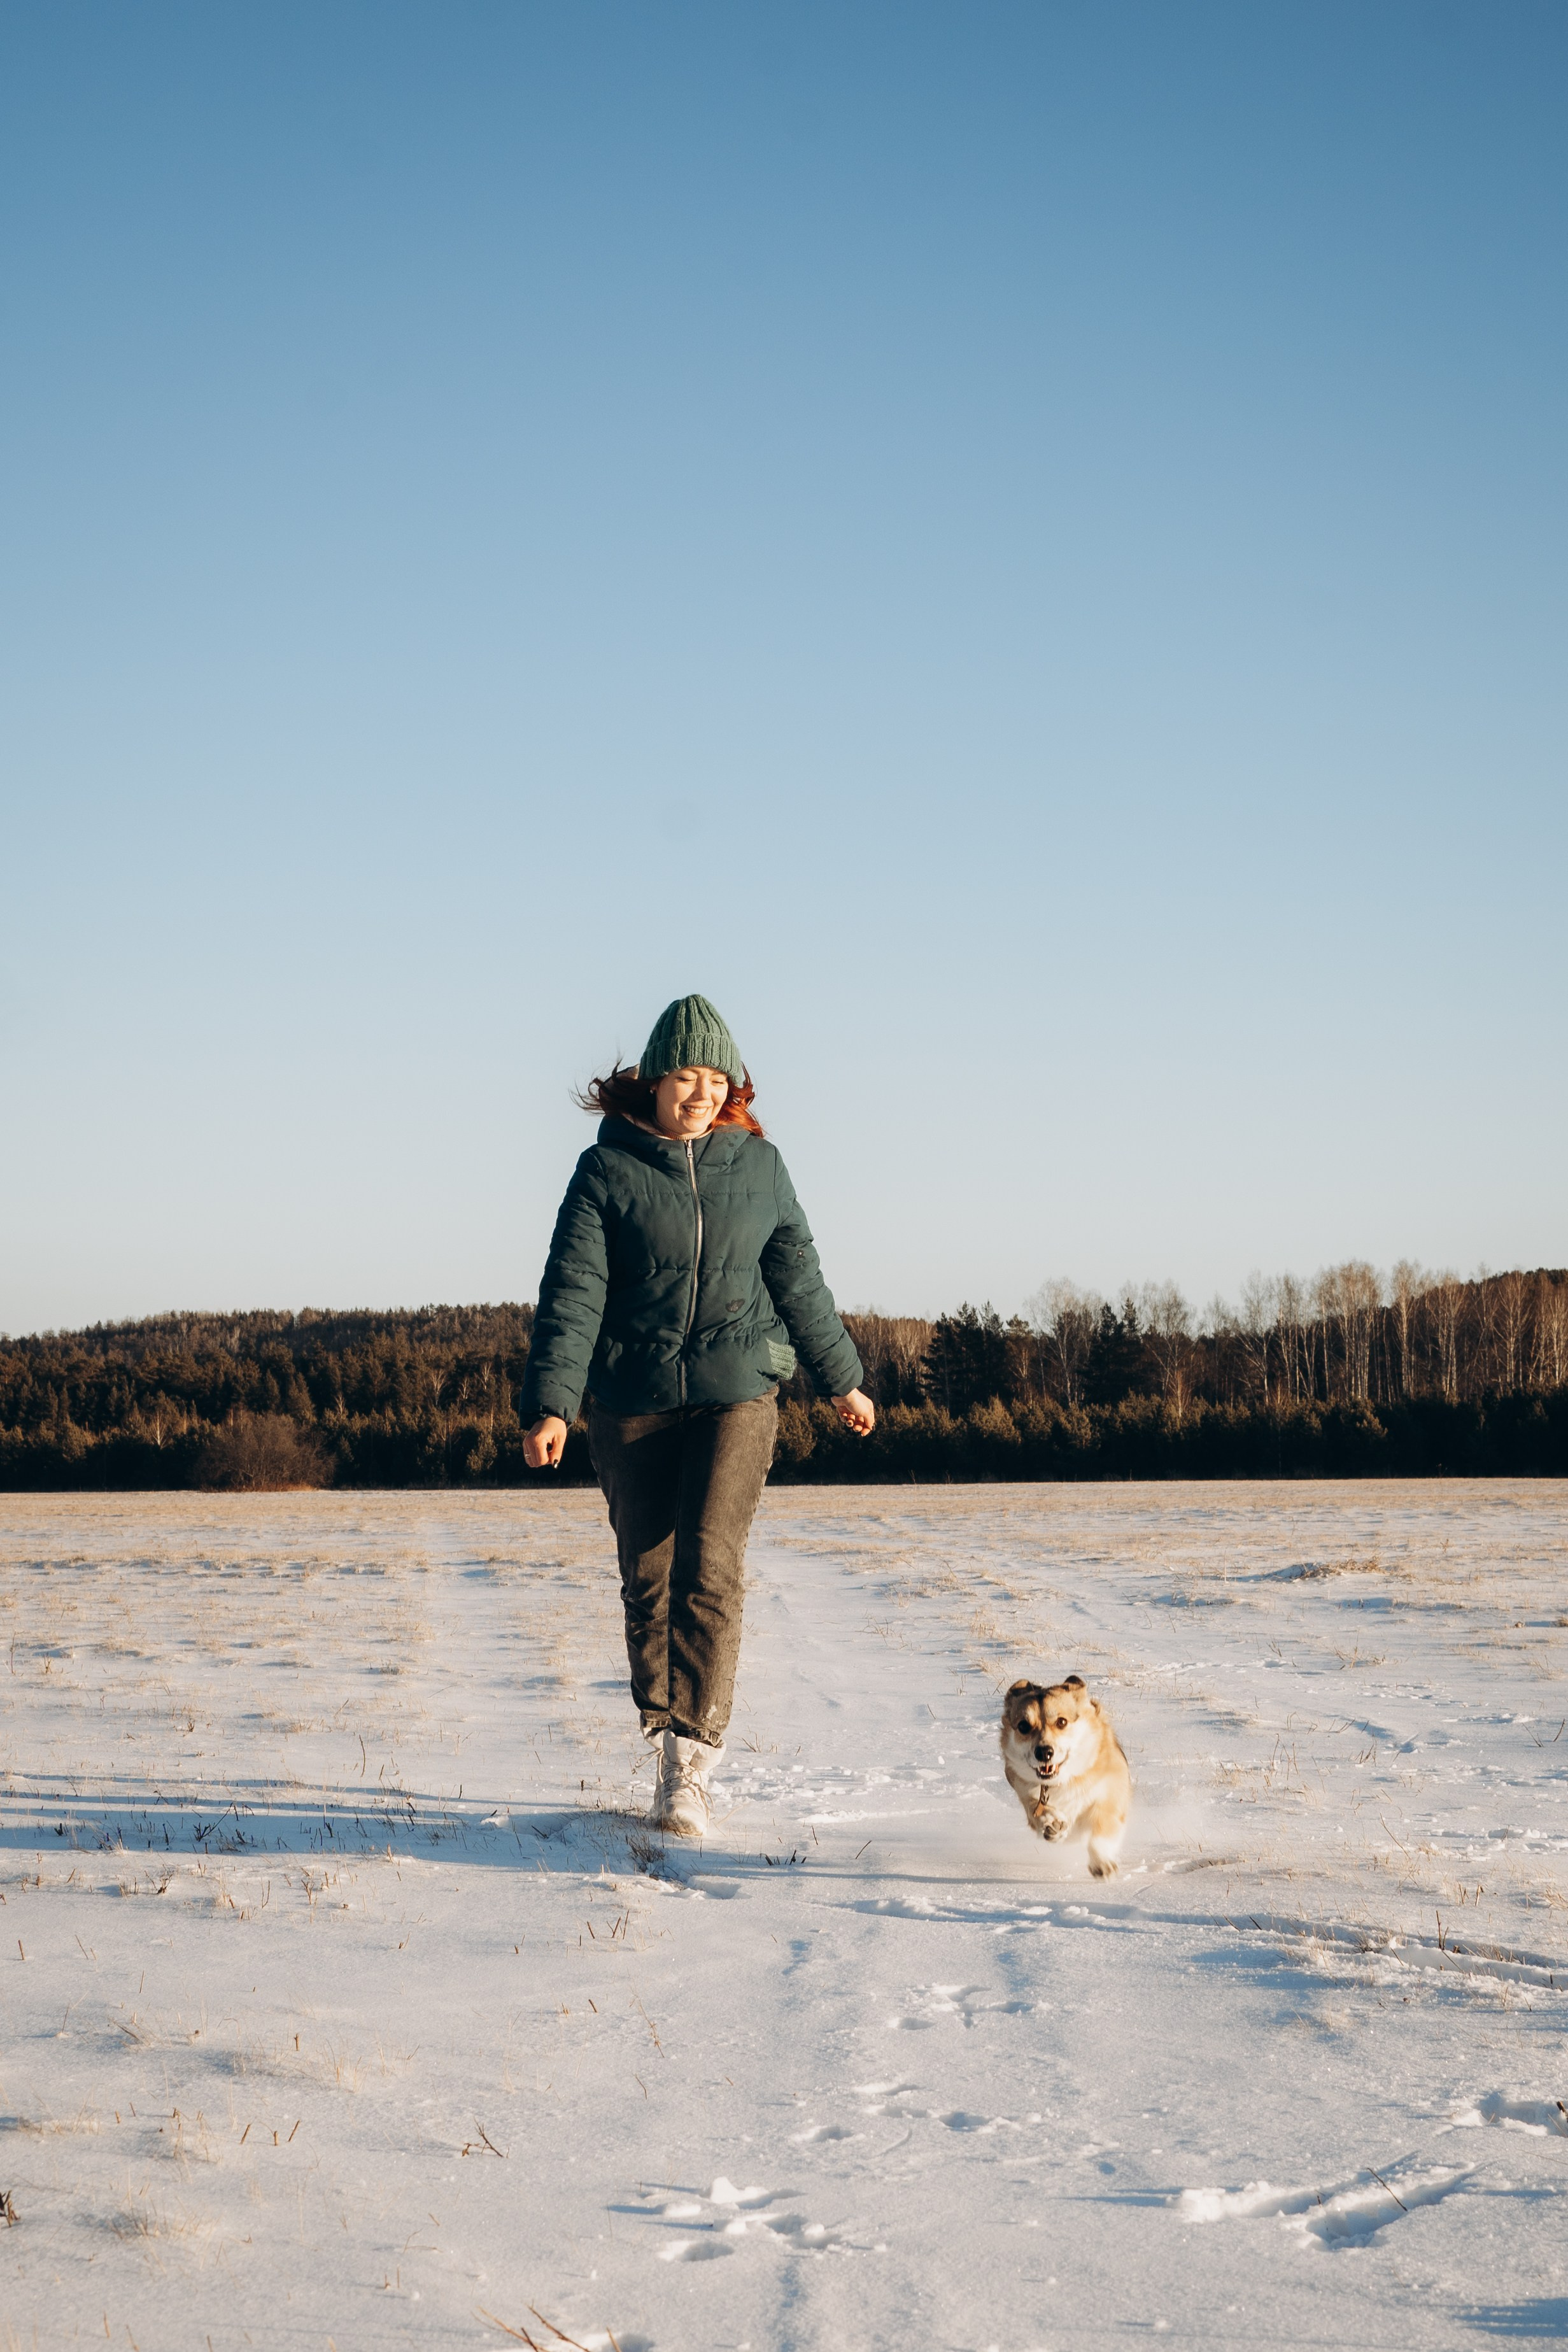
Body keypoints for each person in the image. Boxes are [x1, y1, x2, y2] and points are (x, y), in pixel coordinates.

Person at [519, 994, 875, 1835]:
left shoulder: (759, 1169)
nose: (705, 1092)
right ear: (653, 1080)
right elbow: (573, 1293)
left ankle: (691, 1762)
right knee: (648, 1578)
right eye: (689, 1075)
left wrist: (843, 1378)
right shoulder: (606, 1172)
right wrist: (551, 1405)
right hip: (630, 1399)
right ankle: (664, 1729)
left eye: (719, 1078)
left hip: (738, 1391)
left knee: (708, 1565)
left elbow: (799, 1281)